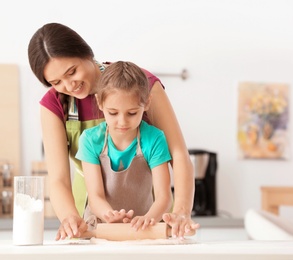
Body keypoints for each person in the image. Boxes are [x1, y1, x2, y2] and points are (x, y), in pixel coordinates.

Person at [27, 23, 199, 240]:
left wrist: (181, 212)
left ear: (87, 53)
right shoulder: (54, 104)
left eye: (72, 72)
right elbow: (59, 179)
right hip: (94, 222)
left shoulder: (140, 84)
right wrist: (70, 218)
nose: (69, 86)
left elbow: (180, 156)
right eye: (56, 82)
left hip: (151, 220)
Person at [76, 61, 172, 230]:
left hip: (142, 229)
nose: (122, 121)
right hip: (101, 227)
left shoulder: (154, 139)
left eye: (132, 113)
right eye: (113, 113)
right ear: (99, 102)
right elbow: (95, 196)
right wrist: (110, 216)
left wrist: (149, 219)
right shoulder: (90, 140)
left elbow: (164, 197)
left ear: (147, 103)